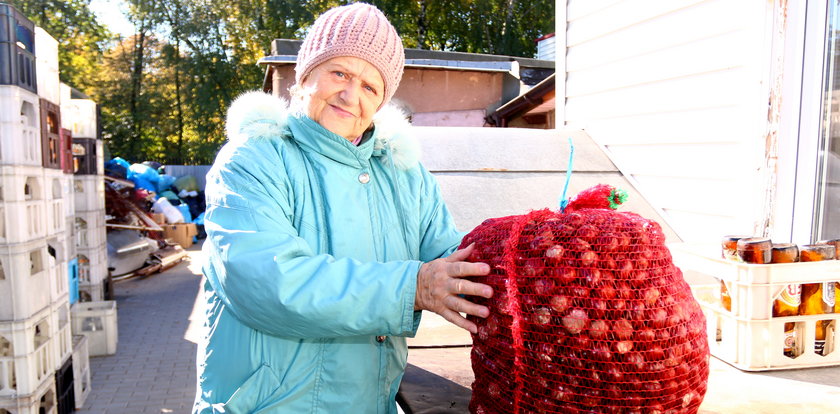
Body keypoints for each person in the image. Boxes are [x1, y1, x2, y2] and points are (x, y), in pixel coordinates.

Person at [193, 3, 493, 413]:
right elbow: (270, 282)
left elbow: (452, 257)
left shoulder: (404, 174)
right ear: (305, 75)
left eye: (371, 87)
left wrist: (540, 256)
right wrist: (414, 287)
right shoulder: (253, 159)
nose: (351, 96)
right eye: (340, 73)